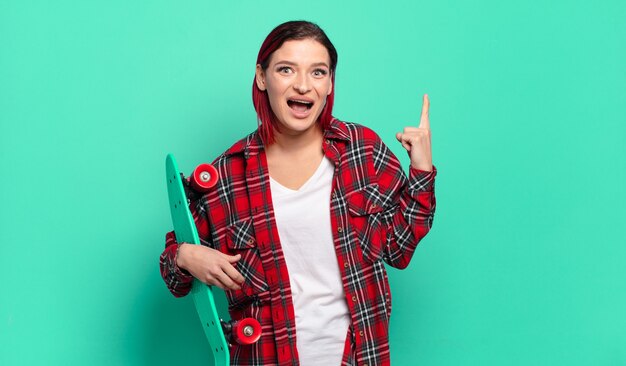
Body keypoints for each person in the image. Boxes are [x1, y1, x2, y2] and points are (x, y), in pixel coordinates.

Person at [160, 20, 436, 366]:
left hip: (356, 357)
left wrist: (422, 170)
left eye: (318, 72)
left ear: (330, 82)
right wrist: (186, 255)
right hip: (265, 357)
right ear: (262, 77)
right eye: (286, 69)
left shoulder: (361, 151)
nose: (303, 85)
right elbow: (173, 273)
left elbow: (399, 249)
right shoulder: (228, 174)